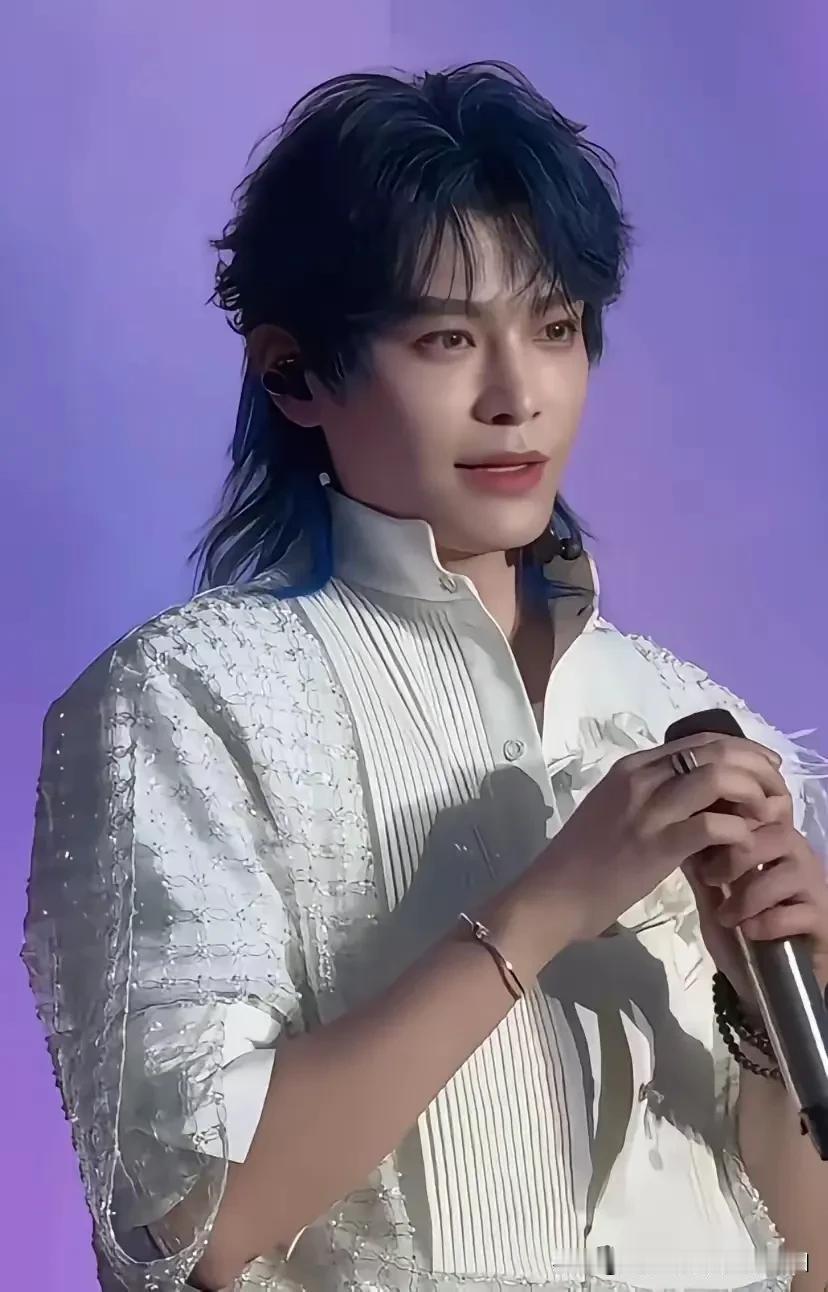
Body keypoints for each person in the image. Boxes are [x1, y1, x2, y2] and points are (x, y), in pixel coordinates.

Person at [23, 62, 828, 1292]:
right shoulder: (186, 704)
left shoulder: (700, 724)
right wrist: (549, 901)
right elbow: (182, 1225)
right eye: (446, 337)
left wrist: (777, 1010)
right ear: (294, 372)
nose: (518, 396)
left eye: (555, 327)